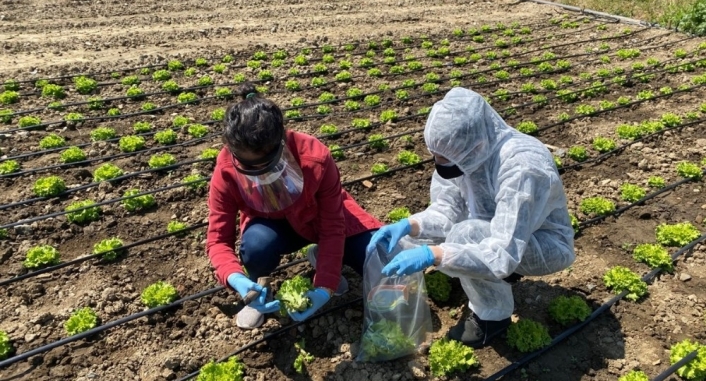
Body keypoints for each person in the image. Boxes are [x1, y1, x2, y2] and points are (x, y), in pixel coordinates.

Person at [367, 87, 575, 348]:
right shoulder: (462, 155)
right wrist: (410, 225)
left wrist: (435, 255)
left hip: (542, 243)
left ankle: (492, 318)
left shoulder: (523, 167)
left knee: (465, 235)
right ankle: (475, 274)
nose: (439, 162)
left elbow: (502, 251)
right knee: (424, 240)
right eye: (436, 155)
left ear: (474, 144)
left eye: (443, 156)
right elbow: (445, 210)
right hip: (491, 228)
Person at [207, 82, 382, 329]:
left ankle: (323, 258)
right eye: (250, 169)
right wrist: (235, 277)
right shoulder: (225, 170)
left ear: (282, 143)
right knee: (256, 246)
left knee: (376, 260)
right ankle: (257, 293)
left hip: (317, 218)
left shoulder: (315, 157)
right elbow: (218, 240)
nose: (260, 175)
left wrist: (325, 285)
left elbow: (332, 224)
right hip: (272, 228)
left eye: (266, 166)